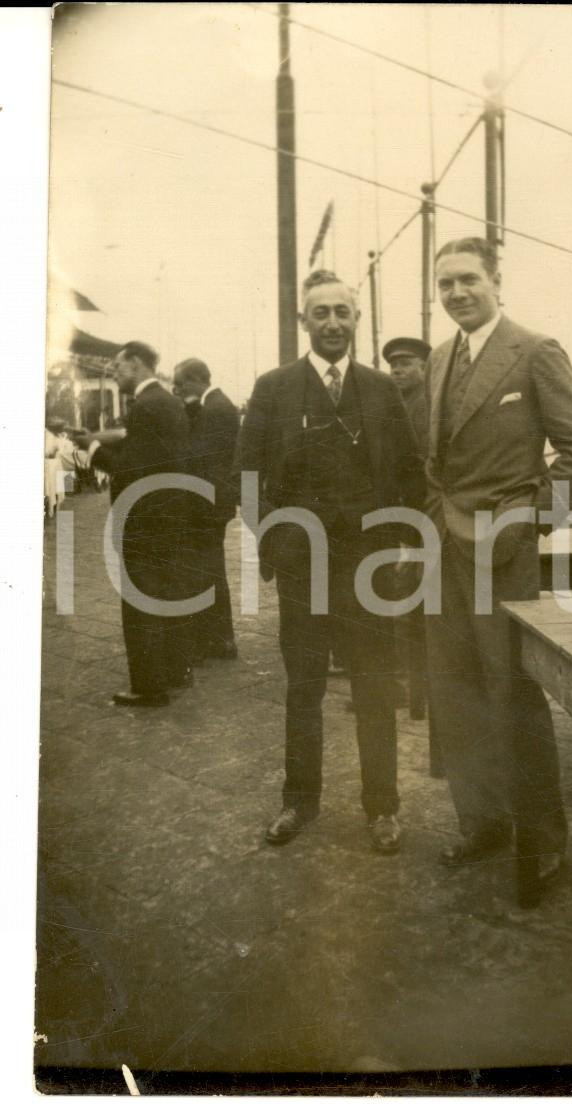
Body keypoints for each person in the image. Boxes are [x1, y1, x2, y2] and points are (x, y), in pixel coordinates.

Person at [424, 236, 572, 873]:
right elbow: (435, 459)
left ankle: (542, 843)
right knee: (454, 693)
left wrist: (528, 523)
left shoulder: (534, 351)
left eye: (468, 279)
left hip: (504, 553)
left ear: (496, 281)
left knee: (514, 696)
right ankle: (483, 822)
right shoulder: (440, 357)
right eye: (445, 284)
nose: (457, 293)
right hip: (443, 549)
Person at [238, 270, 425, 854]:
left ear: (357, 320)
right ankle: (299, 801)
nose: (333, 323)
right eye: (321, 313)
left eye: (343, 312)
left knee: (374, 687)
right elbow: (245, 480)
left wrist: (399, 544)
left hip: (366, 567)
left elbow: (406, 475)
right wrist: (274, 537)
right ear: (304, 322)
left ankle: (383, 809)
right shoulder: (274, 388)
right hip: (302, 566)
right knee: (304, 687)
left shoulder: (379, 389)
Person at [73, 341, 194, 707]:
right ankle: (175, 672)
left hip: (143, 516)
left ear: (138, 364)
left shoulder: (144, 406)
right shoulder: (169, 401)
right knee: (167, 594)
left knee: (139, 601)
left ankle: (147, 686)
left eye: (119, 366)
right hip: (169, 513)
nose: (115, 372)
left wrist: (90, 451)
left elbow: (132, 468)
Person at [382, 336, 443, 773]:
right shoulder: (393, 407)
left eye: (406, 364)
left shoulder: (429, 409)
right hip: (399, 520)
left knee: (413, 611)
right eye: (394, 365)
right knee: (404, 609)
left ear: (424, 367)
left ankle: (414, 692)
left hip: (422, 521)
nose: (398, 371)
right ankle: (411, 692)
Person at [173, 358, 241, 661]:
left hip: (208, 504)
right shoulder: (215, 404)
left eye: (181, 383)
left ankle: (218, 640)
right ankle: (217, 638)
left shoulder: (214, 408)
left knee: (208, 571)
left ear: (196, 379)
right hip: (214, 502)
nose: (176, 389)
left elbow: (203, 458)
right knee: (210, 569)